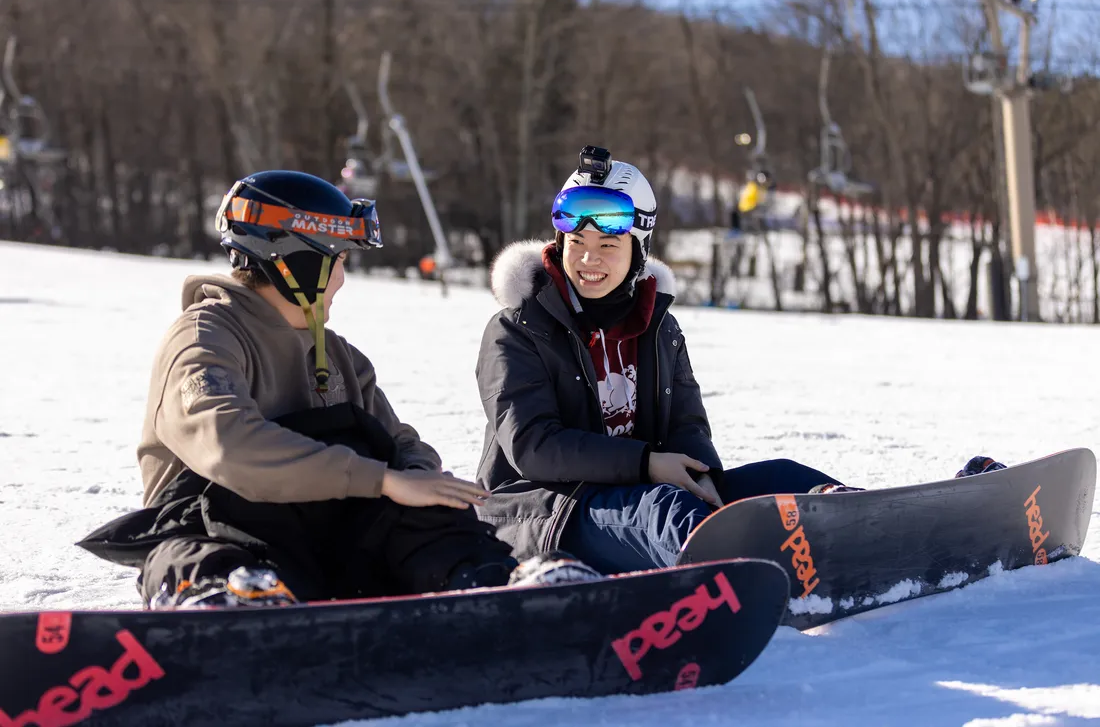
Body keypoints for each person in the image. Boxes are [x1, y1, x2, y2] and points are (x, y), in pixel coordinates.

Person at [78, 170, 599, 608]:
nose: (342, 281)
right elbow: (226, 443)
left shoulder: (341, 355)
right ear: (296, 260)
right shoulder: (204, 337)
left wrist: (416, 483)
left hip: (322, 538)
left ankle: (488, 586)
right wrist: (378, 480)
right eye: (339, 261)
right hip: (222, 524)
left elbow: (403, 445)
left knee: (416, 506)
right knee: (191, 539)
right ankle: (218, 599)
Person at [472, 146, 869, 575]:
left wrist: (700, 474)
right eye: (577, 243)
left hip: (639, 489)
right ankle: (743, 577)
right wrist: (646, 463)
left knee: (782, 478)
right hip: (544, 512)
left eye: (608, 244)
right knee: (665, 511)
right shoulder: (517, 328)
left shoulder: (658, 326)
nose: (590, 259)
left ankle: (866, 526)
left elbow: (686, 425)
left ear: (638, 249)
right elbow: (534, 446)